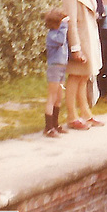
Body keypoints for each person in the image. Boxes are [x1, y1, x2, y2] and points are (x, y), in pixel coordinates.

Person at [61, 0, 104, 130]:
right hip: (80, 40)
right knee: (75, 77)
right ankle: (72, 116)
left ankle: (86, 113)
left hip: (89, 38)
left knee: (84, 76)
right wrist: (75, 48)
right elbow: (70, 22)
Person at [43, 8, 69, 138]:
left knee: (59, 97)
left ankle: (55, 124)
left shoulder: (59, 33)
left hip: (62, 68)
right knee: (52, 97)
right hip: (54, 68)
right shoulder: (52, 35)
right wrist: (64, 25)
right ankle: (48, 128)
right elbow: (61, 41)